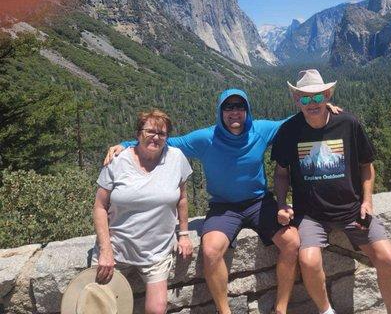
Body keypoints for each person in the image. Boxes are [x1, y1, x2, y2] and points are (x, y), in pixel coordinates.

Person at [105, 89, 321, 314]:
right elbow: (166, 142)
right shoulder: (205, 138)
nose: (235, 112)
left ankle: (281, 308)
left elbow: (293, 122)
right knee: (210, 251)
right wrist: (126, 144)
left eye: (240, 107)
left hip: (259, 202)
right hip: (223, 207)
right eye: (229, 107)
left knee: (292, 242)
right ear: (220, 112)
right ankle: (224, 310)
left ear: (247, 111)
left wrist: (325, 110)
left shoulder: (261, 130)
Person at [271, 69, 391, 314]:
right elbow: (281, 173)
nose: (312, 103)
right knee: (308, 261)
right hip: (311, 214)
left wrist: (367, 201)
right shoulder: (289, 131)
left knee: (388, 259)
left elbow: (366, 166)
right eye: (306, 98)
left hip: (352, 210)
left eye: (318, 97)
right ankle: (326, 311)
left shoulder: (348, 123)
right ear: (296, 100)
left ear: (328, 95)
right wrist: (281, 202)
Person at [93, 109, 193, 314]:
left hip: (156, 252)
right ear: (138, 133)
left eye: (162, 134)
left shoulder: (176, 158)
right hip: (116, 249)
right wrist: (105, 250)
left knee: (157, 310)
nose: (155, 137)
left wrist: (183, 234)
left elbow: (182, 198)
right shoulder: (117, 161)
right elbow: (100, 207)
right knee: (100, 308)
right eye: (150, 131)